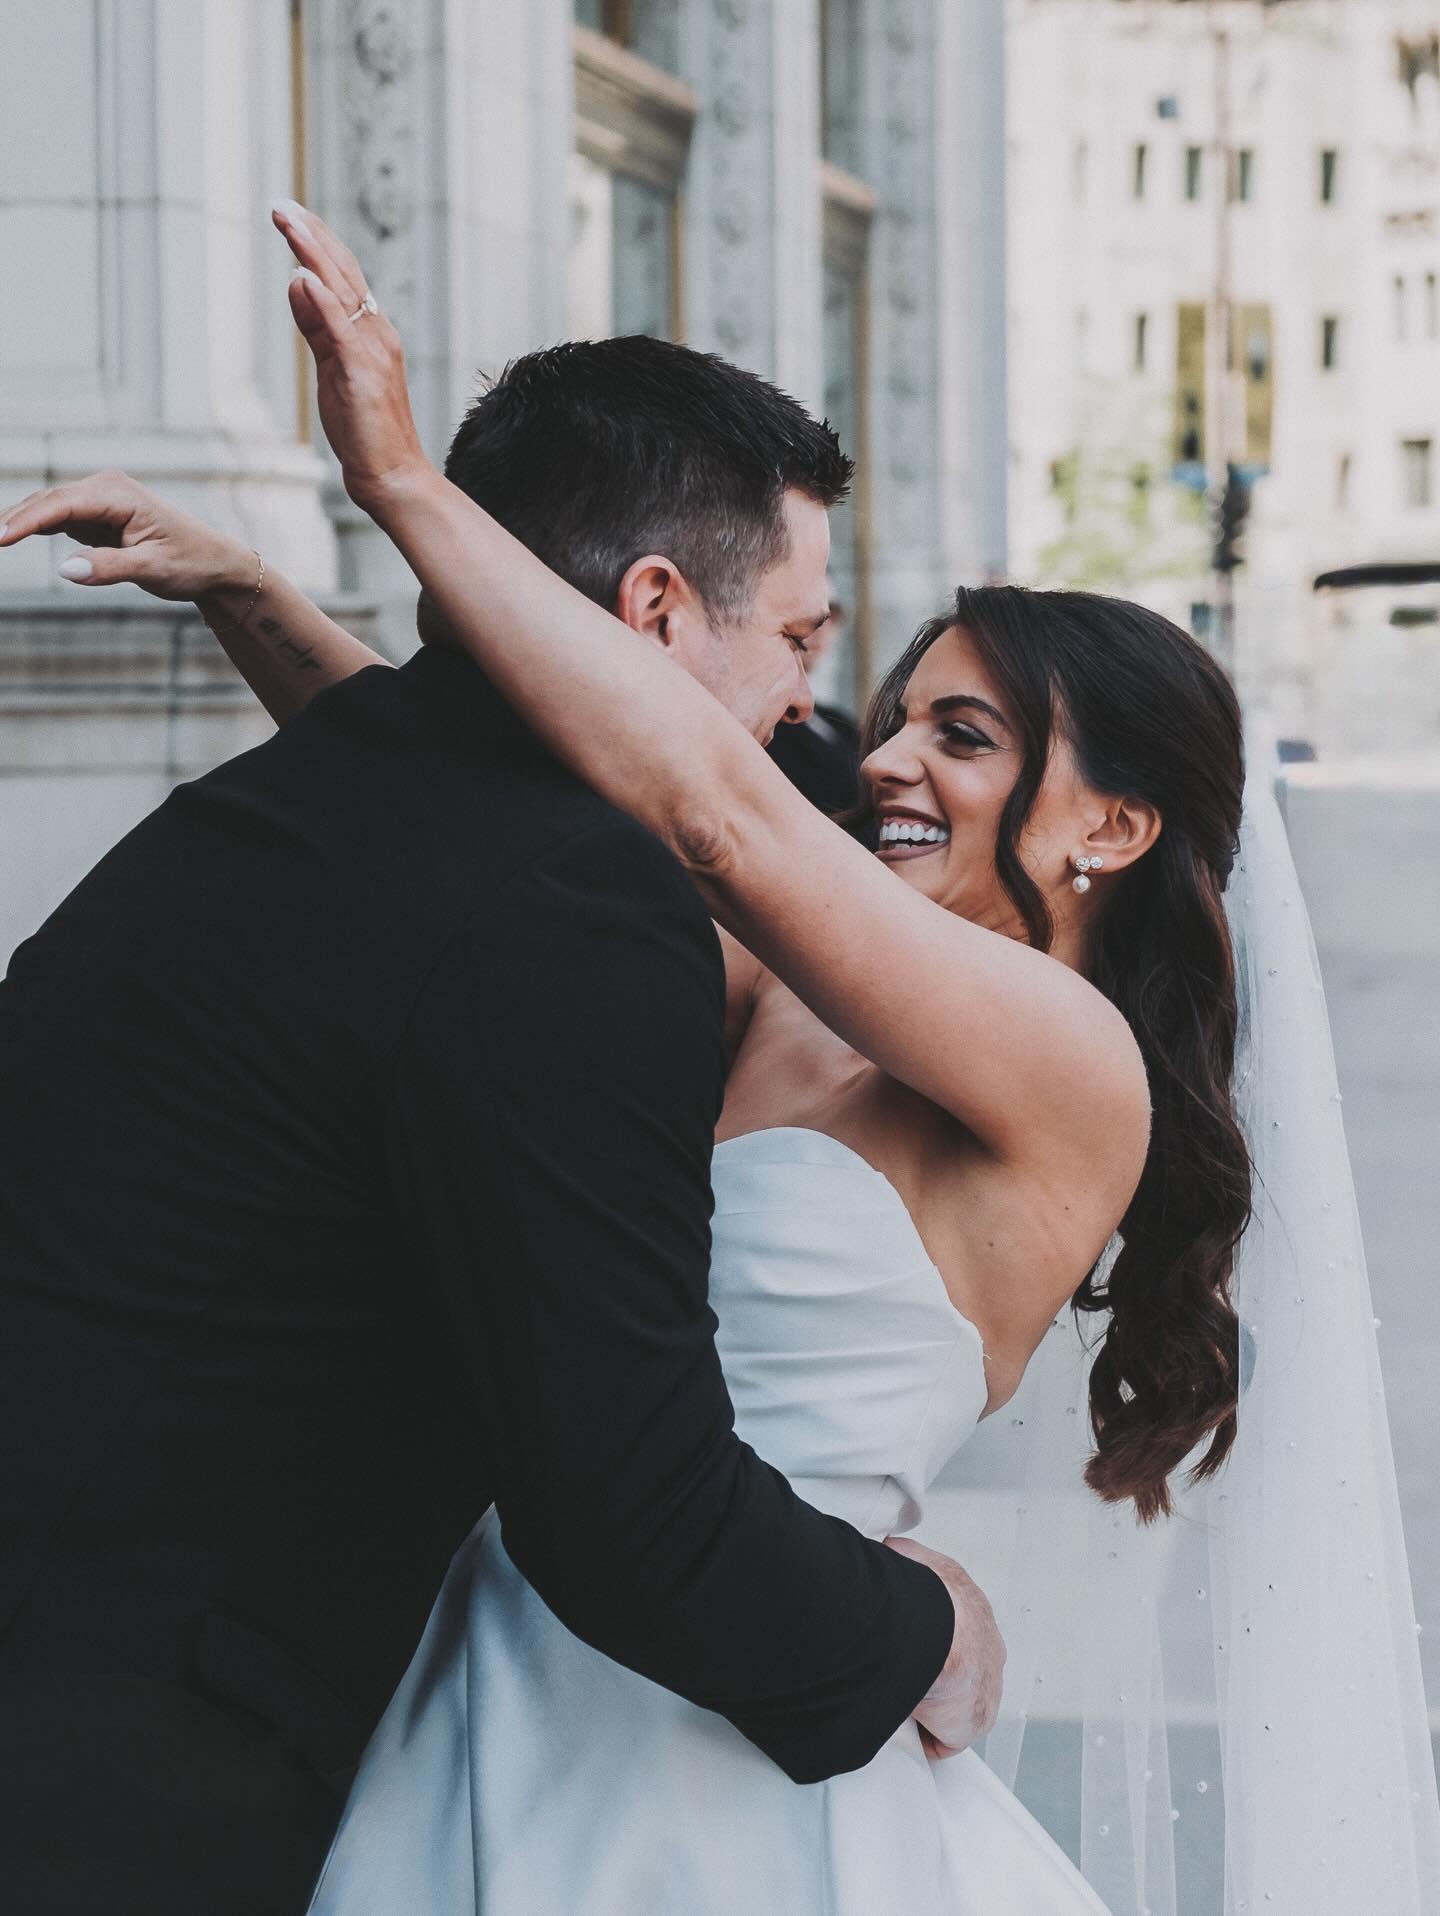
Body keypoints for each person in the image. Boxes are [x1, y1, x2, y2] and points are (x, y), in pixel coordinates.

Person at [0, 333, 1003, 1910]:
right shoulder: (572, 898)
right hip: (119, 1762)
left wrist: (255, 588)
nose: (812, 703)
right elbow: (627, 1512)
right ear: (656, 609)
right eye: (798, 635)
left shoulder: (324, 791)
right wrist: (926, 1633)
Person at [766, 591, 864, 814]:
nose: (821, 627)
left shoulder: (838, 722)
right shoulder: (761, 722)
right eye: (808, 612)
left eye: (832, 614)